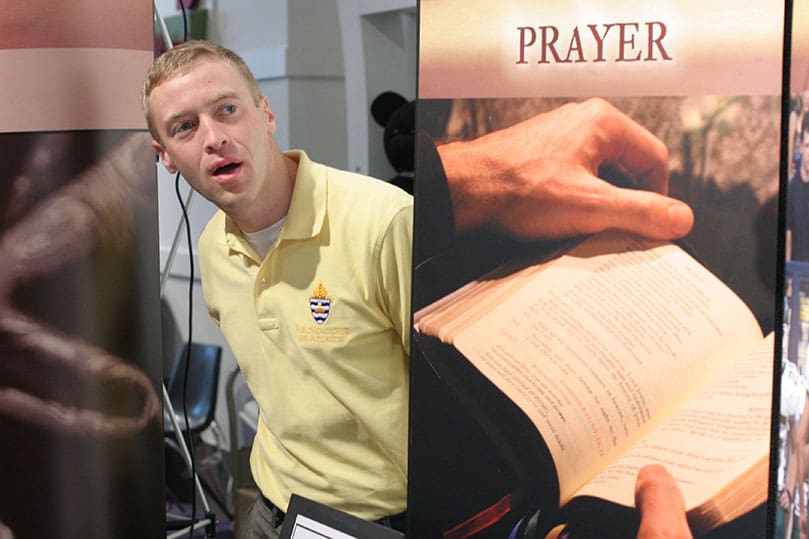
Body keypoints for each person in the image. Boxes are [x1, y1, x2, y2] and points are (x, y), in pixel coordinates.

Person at [143, 41, 694, 538]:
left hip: (369, 523)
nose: (214, 138)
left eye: (227, 109)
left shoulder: (385, 224)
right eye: (185, 128)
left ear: (266, 114)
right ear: (164, 155)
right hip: (271, 510)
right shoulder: (215, 245)